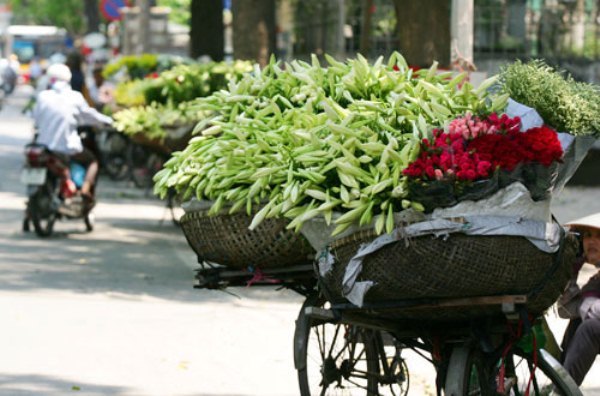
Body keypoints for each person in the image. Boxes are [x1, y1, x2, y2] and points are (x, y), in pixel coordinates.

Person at [32, 63, 112, 199]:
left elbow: (35, 118)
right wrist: (108, 121)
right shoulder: (75, 97)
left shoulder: (42, 96)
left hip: (43, 146)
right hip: (66, 147)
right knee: (93, 161)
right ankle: (85, 191)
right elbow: (90, 116)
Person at [560, 212, 600, 386]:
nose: (591, 242)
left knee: (589, 327)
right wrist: (573, 266)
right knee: (576, 324)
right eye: (588, 236)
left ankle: (563, 390)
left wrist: (587, 306)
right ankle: (560, 381)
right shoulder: (595, 282)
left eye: (599, 237)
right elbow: (566, 309)